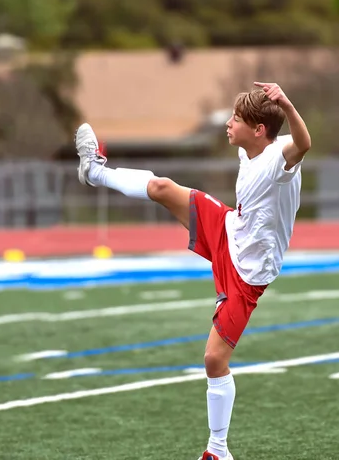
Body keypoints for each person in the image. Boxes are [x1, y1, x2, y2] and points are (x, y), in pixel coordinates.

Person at [75, 82, 311, 460]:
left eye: (237, 119)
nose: (228, 124)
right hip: (229, 229)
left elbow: (303, 142)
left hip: (247, 275)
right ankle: (95, 171)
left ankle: (218, 450)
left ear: (259, 130)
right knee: (161, 187)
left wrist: (287, 102)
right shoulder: (247, 152)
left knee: (214, 360)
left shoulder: (280, 157)